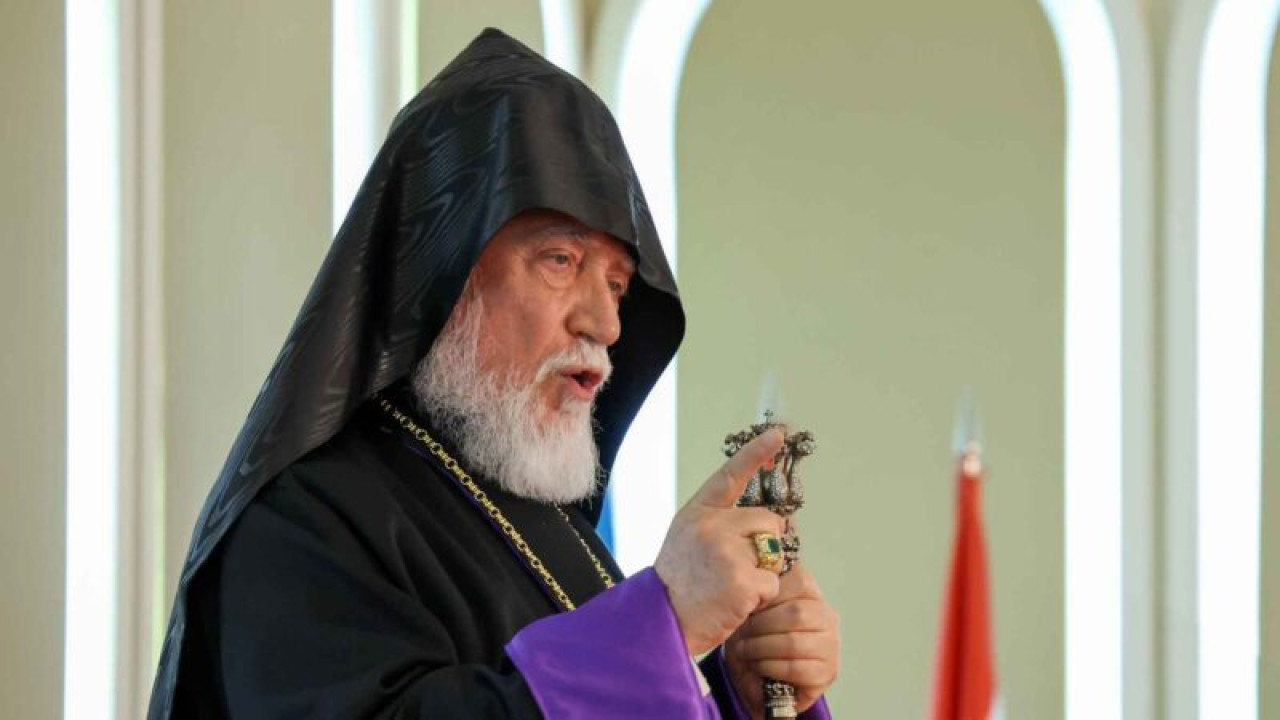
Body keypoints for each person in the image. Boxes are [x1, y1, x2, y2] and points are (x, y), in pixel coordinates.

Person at [148, 28, 839, 720]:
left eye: (618, 285)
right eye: (561, 261)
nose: (605, 324)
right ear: (443, 272)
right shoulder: (304, 518)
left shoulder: (546, 522)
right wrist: (659, 622)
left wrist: (738, 693)